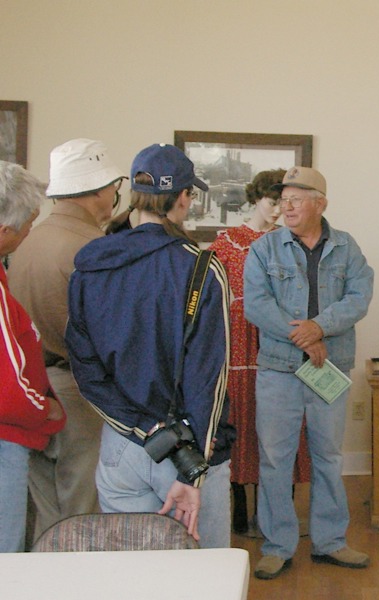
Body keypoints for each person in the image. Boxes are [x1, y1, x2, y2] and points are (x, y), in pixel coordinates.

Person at [65, 143, 233, 546]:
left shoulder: (89, 267)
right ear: (182, 198)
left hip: (123, 444)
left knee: (133, 577)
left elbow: (86, 370)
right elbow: (208, 379)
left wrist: (144, 428)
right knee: (205, 577)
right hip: (189, 450)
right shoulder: (202, 268)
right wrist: (193, 469)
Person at [243, 166, 374, 579]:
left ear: (321, 203)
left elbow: (359, 296)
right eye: (283, 200)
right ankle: (278, 545)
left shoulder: (347, 247)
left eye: (296, 199)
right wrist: (305, 336)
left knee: (329, 457)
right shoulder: (265, 249)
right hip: (279, 370)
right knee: (275, 460)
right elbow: (256, 305)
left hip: (328, 368)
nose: (287, 207)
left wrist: (321, 327)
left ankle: (330, 541)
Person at [8, 138, 124, 541]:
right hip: (80, 391)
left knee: (45, 507)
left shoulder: (27, 241)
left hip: (35, 388)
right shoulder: (95, 249)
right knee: (81, 510)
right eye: (114, 185)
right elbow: (112, 335)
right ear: (99, 190)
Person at [208, 169, 312, 537]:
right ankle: (237, 513)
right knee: (238, 428)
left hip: (282, 349)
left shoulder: (294, 243)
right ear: (256, 199)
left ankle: (279, 517)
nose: (277, 212)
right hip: (237, 351)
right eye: (272, 203)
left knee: (285, 432)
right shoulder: (226, 244)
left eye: (284, 205)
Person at [0, 162, 66, 552]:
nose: (30, 233)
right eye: (29, 224)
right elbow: (8, 383)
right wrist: (45, 409)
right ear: (5, 229)